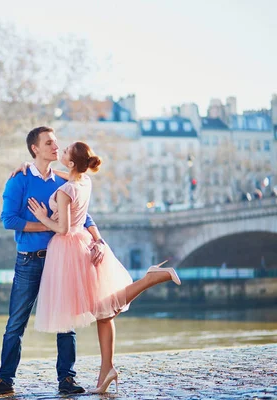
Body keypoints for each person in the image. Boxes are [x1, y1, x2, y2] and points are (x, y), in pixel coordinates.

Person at [27, 141, 181, 394]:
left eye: (65, 152)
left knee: (100, 306)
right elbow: (67, 178)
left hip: (69, 249)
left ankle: (150, 279)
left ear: (72, 162)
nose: (61, 152)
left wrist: (44, 217)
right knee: (104, 313)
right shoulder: (84, 182)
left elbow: (63, 228)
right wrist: (30, 166)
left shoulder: (66, 190)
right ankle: (106, 369)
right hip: (85, 243)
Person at [0, 126, 106, 397]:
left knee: (67, 322)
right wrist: (48, 225)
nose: (55, 146)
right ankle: (4, 380)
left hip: (60, 259)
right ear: (35, 148)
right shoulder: (19, 180)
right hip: (29, 261)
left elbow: (82, 217)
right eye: (49, 142)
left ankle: (67, 379)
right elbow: (9, 220)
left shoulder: (63, 181)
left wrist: (97, 239)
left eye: (56, 142)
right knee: (16, 322)